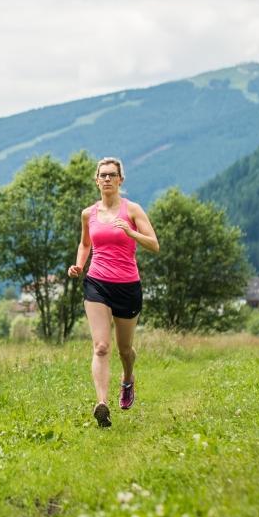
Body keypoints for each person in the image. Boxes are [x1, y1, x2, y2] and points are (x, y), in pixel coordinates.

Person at [67, 156, 159, 428]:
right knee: (101, 346)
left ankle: (128, 379)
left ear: (120, 180)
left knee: (125, 349)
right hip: (97, 283)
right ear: (96, 181)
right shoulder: (89, 214)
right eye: (102, 175)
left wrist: (131, 233)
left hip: (128, 286)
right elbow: (85, 244)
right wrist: (79, 265)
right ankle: (102, 404)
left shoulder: (132, 210)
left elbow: (154, 244)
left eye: (112, 175)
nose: (107, 179)